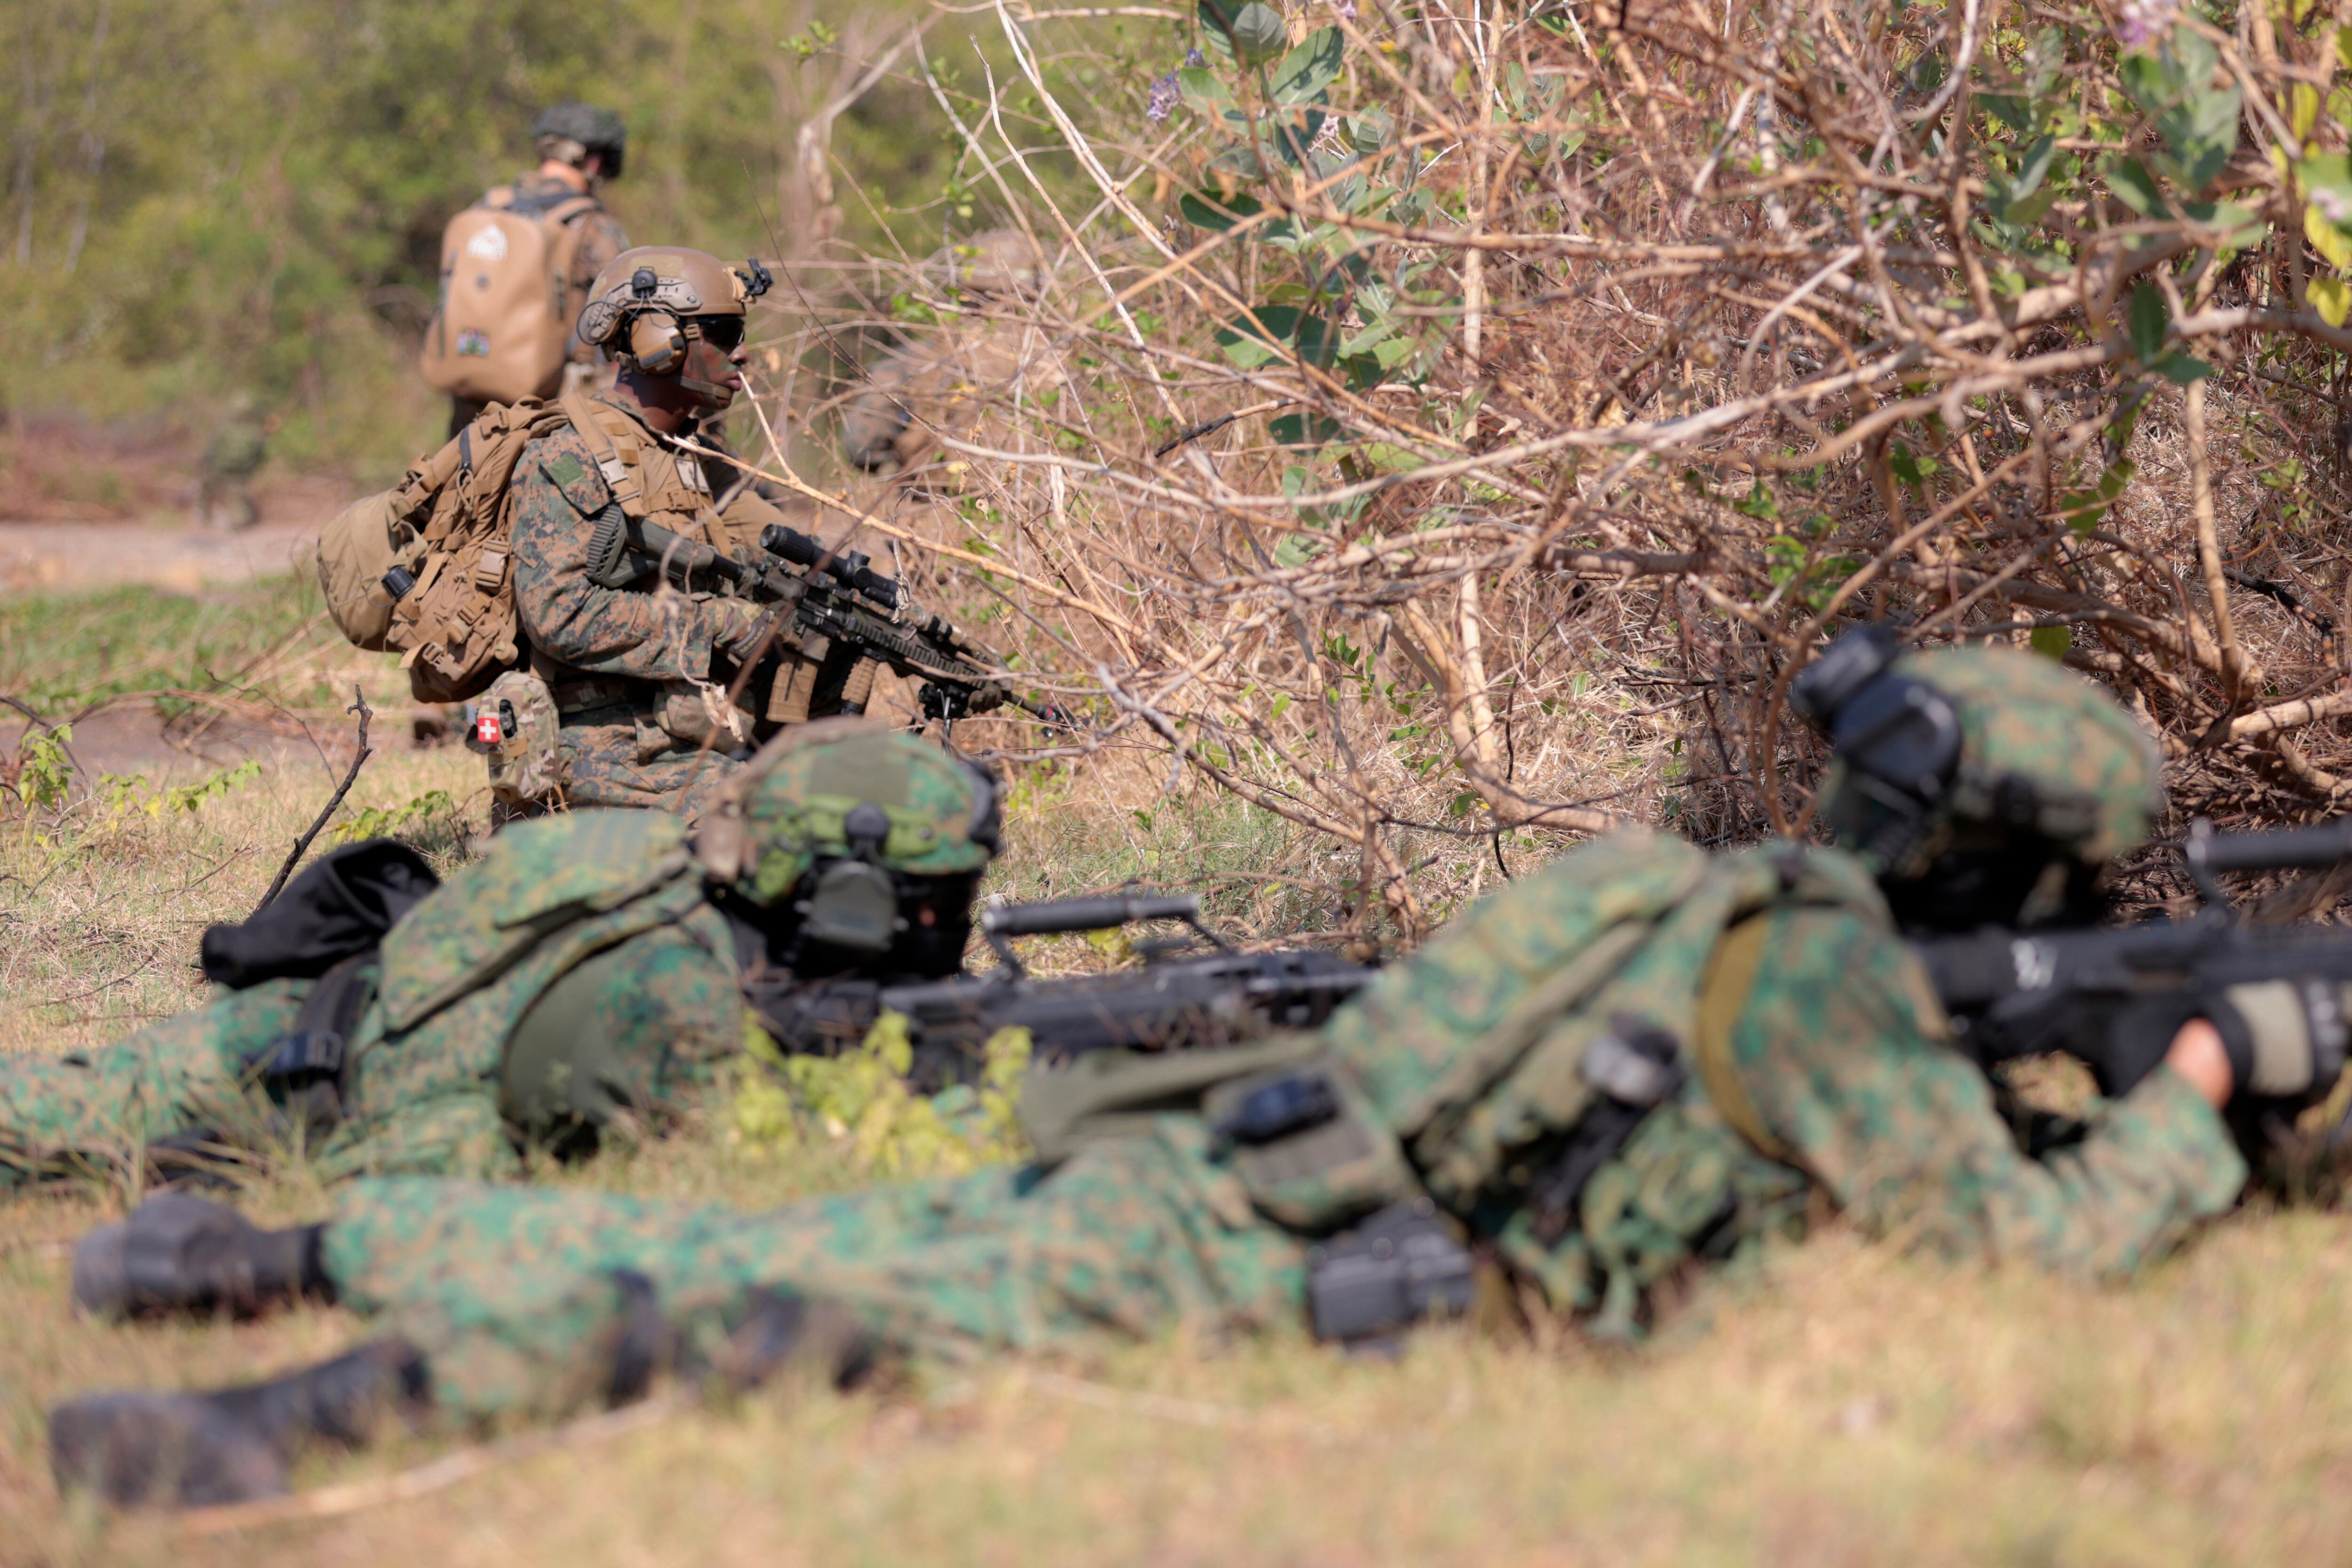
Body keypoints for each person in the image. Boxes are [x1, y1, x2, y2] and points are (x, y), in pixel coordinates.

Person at [48, 640, 2320, 1509]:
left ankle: (263, 1256)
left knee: (765, 1253)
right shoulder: (1828, 999)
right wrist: (2209, 1087)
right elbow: (2019, 1250)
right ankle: (251, 1445)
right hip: (1263, 1264)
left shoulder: (1682, 890)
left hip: (1235, 1182)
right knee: (773, 1321)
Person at [0, 724, 1000, 1195]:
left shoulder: (677, 873)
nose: (952, 921)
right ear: (854, 897)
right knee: (45, 1122)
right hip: (300, 1083)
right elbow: (782, 1173)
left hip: (328, 1027)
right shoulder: (676, 985)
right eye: (940, 897)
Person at [500, 244, 880, 814]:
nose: (743, 354)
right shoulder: (570, 457)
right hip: (608, 746)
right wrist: (723, 623)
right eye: (724, 335)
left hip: (696, 729)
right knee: (786, 839)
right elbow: (560, 614)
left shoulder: (695, 458)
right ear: (658, 341)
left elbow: (777, 561)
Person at [442, 103, 633, 436]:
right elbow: (628, 319)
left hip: (470, 398)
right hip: (550, 411)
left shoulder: (486, 207)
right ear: (595, 161)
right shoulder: (594, 226)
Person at [196, 394, 268, 532]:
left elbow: (211, 451)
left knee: (208, 489)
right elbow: (260, 455)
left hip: (220, 470)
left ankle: (205, 516)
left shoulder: (225, 430)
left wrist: (206, 466)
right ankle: (234, 519)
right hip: (241, 473)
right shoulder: (255, 432)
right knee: (236, 496)